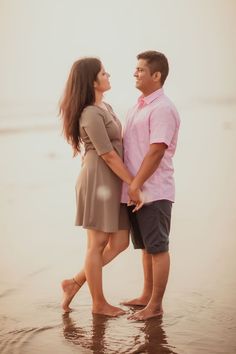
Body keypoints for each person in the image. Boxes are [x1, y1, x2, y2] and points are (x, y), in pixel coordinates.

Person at [59, 57, 143, 316]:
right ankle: (98, 304)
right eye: (104, 73)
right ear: (92, 80)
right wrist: (134, 183)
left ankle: (74, 282)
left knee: (119, 242)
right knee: (96, 244)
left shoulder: (105, 107)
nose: (108, 76)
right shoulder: (89, 113)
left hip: (112, 181)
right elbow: (107, 154)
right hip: (97, 180)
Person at [121, 51, 180, 320]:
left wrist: (137, 184)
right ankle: (146, 296)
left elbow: (157, 150)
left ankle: (155, 306)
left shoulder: (163, 108)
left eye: (141, 70)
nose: (135, 73)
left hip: (153, 190)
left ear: (157, 76)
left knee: (158, 247)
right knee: (145, 247)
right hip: (136, 191)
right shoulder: (138, 106)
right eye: (135, 69)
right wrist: (131, 187)